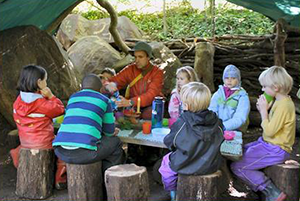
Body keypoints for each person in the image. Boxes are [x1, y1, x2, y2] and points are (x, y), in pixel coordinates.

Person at [231, 66, 295, 201]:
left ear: (276, 87)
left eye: (265, 86)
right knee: (239, 152)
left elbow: (270, 131)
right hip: (269, 144)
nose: (262, 89)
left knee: (237, 166)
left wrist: (263, 113)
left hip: (276, 149)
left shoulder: (284, 106)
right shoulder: (280, 101)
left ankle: (271, 191)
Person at [159, 82, 224, 201]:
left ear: (187, 106)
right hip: (210, 164)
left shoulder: (183, 121)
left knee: (165, 166)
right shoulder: (217, 121)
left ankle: (173, 192)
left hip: (186, 163)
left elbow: (170, 142)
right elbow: (221, 138)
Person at [53, 74, 125, 172]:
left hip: (60, 151)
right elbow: (109, 132)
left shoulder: (73, 98)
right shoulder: (104, 100)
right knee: (115, 142)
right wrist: (112, 131)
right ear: (100, 89)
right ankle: (107, 178)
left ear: (81, 87)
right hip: (84, 153)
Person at [10, 64, 66, 189]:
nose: (46, 82)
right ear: (39, 82)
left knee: (22, 147)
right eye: (45, 80)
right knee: (63, 148)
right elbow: (60, 110)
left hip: (26, 141)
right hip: (44, 141)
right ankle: (60, 178)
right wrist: (51, 97)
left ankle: (16, 155)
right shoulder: (41, 103)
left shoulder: (18, 100)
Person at [105, 41, 164, 120]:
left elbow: (151, 95)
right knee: (122, 115)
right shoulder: (130, 69)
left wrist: (130, 102)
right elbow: (115, 81)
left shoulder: (157, 72)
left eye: (140, 57)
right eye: (135, 57)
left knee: (149, 114)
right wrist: (109, 89)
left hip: (151, 105)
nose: (137, 60)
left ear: (148, 57)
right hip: (133, 106)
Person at [209, 64, 250, 133]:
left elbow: (240, 117)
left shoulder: (242, 96)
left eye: (233, 78)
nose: (229, 80)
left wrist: (223, 126)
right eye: (227, 78)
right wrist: (213, 124)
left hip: (234, 130)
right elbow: (212, 110)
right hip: (216, 128)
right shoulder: (218, 94)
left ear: (238, 79)